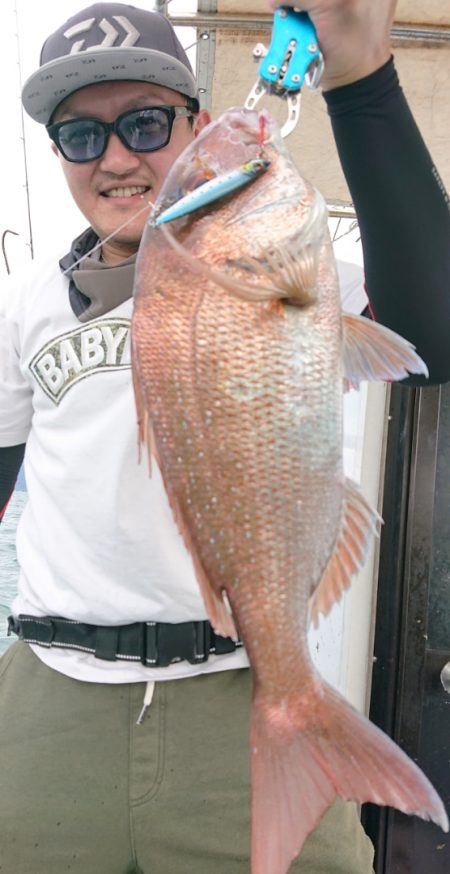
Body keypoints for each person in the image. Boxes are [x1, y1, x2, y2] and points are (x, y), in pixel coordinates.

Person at [0, 2, 449, 873]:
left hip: (238, 678)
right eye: (80, 136)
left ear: (198, 124)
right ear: (57, 155)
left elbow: (434, 330)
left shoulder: (298, 279)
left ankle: (301, 719)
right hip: (49, 690)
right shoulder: (24, 306)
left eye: (145, 122)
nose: (118, 157)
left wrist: (362, 83)